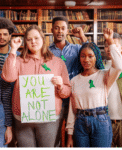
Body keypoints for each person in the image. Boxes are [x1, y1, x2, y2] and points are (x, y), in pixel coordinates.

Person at [1, 25, 71, 147]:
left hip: (48, 119)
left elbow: (66, 92)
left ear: (43, 39)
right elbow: (8, 77)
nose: (33, 41)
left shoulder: (58, 62)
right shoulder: (18, 60)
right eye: (29, 39)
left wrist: (60, 85)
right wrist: (13, 50)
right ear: (25, 42)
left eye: (36, 38)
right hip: (22, 118)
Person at [66, 28, 122, 147]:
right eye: (83, 56)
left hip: (101, 121)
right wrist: (70, 135)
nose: (86, 60)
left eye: (90, 56)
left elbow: (118, 66)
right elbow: (72, 111)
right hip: (80, 122)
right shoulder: (74, 80)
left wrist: (110, 42)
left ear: (96, 57)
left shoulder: (104, 75)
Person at [49, 16, 88, 146]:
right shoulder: (47, 52)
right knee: (54, 136)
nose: (60, 31)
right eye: (57, 28)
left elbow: (92, 53)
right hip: (54, 98)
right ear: (52, 30)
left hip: (75, 98)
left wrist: (82, 36)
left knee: (76, 135)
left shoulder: (77, 49)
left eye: (63, 28)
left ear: (67, 31)